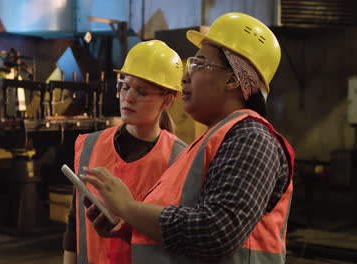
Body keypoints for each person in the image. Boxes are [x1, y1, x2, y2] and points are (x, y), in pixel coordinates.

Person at [82, 12, 295, 263]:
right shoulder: (208, 143)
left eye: (198, 64)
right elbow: (186, 230)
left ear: (232, 79)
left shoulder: (252, 139)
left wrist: (128, 208)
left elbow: (216, 232)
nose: (185, 77)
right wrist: (129, 228)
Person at [62, 40, 187, 264]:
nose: (128, 97)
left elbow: (180, 238)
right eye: (126, 86)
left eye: (141, 91)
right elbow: (75, 224)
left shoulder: (180, 158)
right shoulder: (90, 145)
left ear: (167, 100)